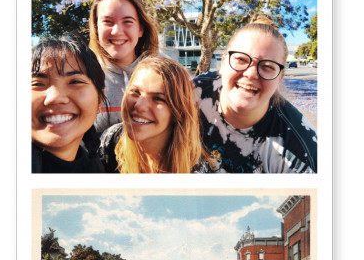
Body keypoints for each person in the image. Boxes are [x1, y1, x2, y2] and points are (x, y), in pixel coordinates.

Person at [194, 14, 317, 173]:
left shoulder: (298, 151)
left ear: (280, 78)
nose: (251, 74)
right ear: (223, 63)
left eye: (267, 66)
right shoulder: (192, 93)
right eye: (241, 60)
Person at [99, 57, 214, 173]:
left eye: (158, 98)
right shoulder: (110, 141)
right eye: (135, 92)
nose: (140, 105)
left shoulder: (198, 171)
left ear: (178, 111)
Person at [89, 0, 159, 134]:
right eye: (107, 21)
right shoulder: (83, 76)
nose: (117, 31)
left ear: (140, 29)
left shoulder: (164, 73)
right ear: (96, 28)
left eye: (127, 21)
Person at [31, 35, 106, 173]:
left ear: (100, 101)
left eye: (75, 82)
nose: (55, 98)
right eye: (37, 84)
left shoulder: (95, 169)